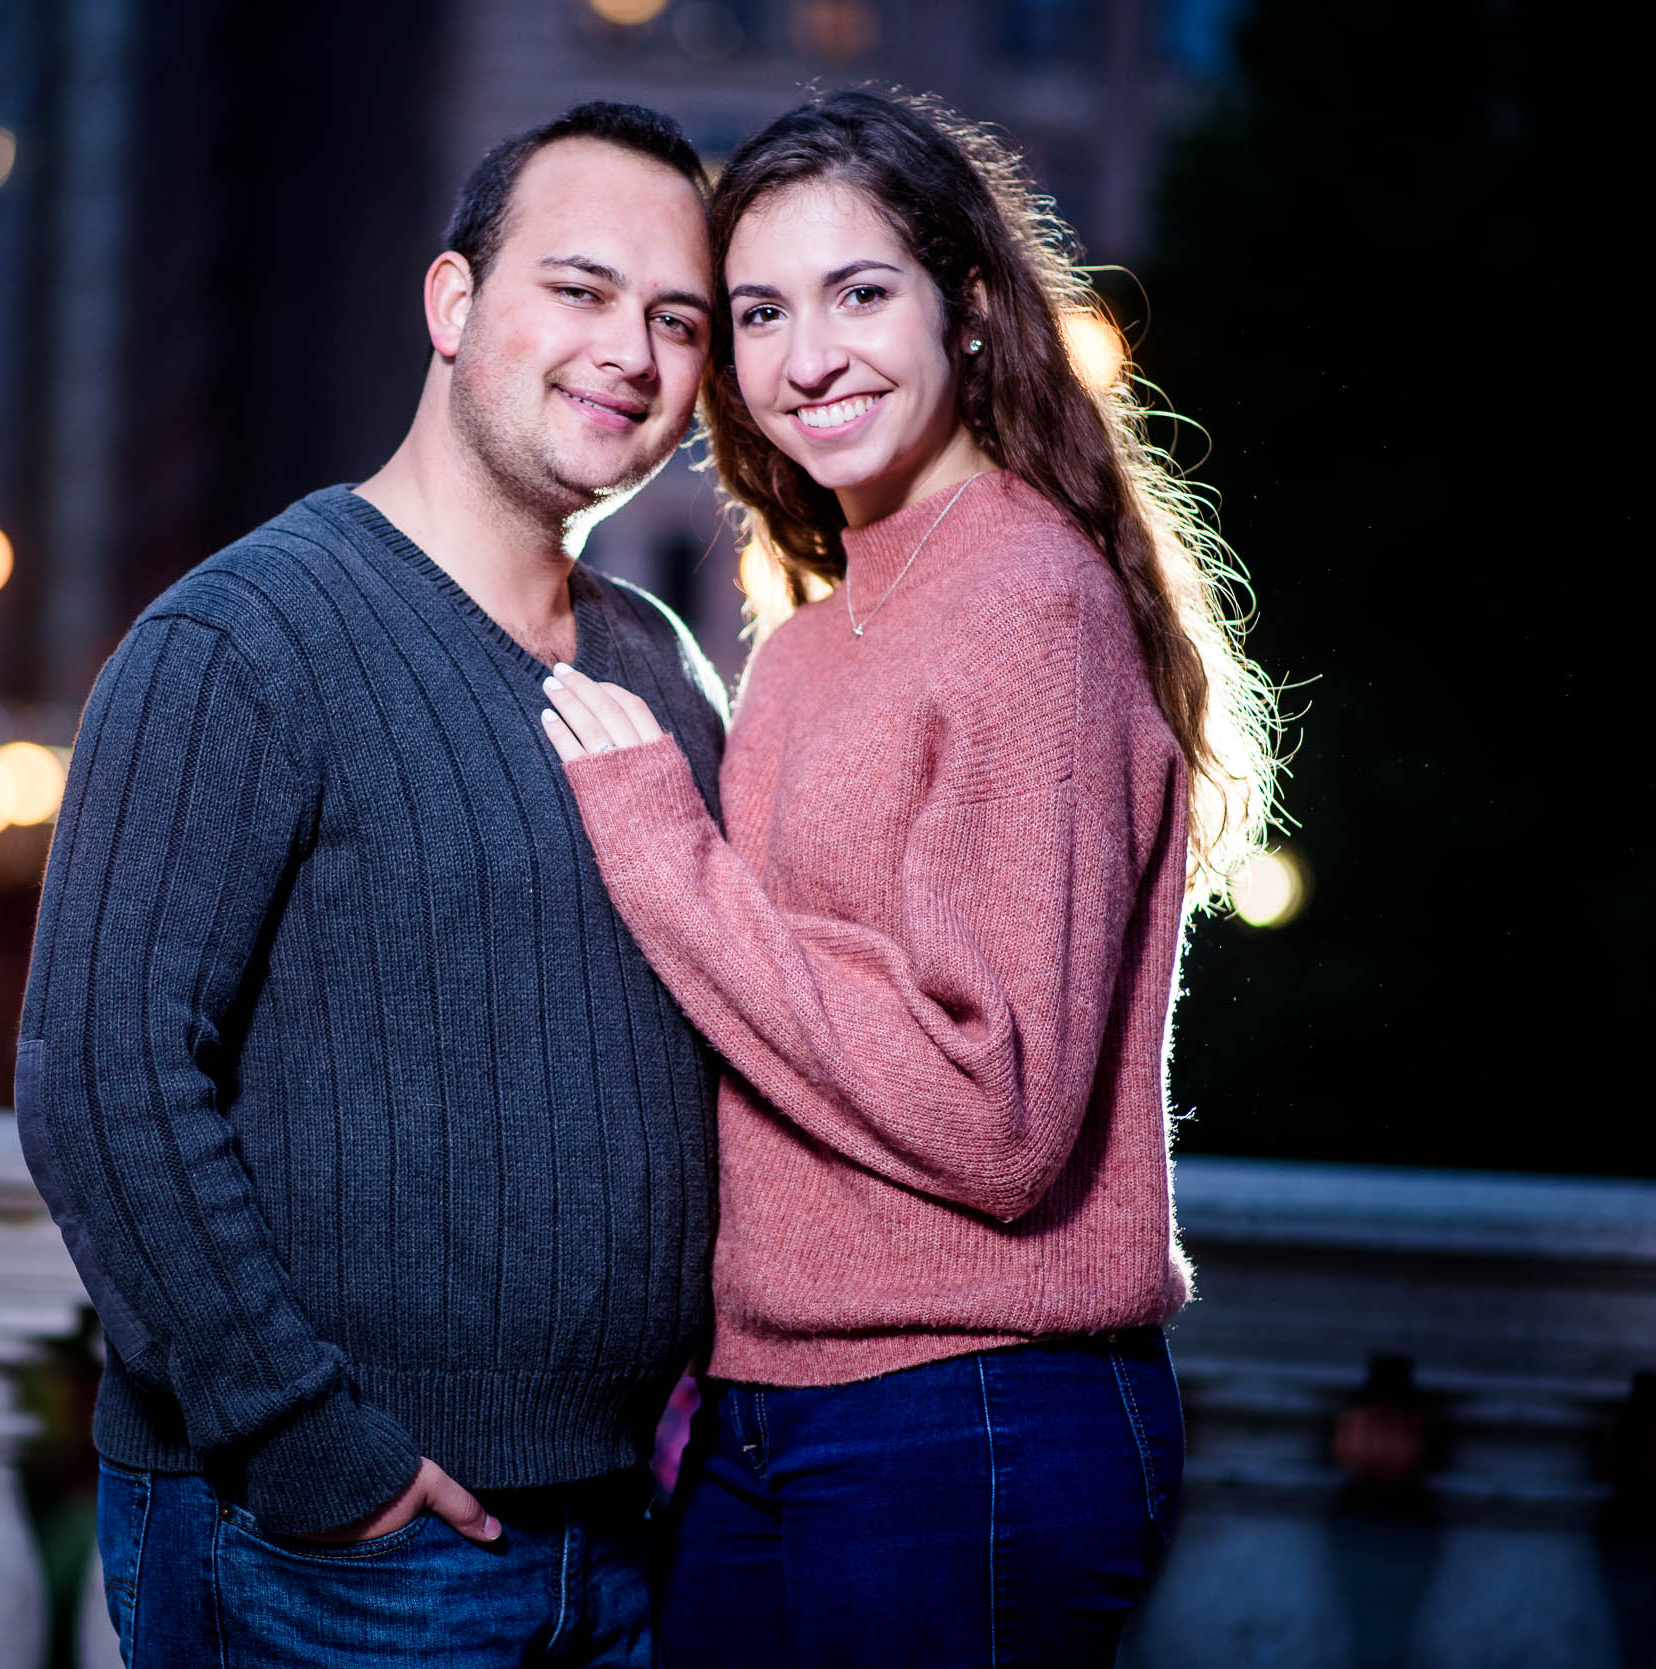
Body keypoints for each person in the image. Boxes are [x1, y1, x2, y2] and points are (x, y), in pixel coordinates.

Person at [540, 89, 1281, 1666]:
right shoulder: (811, 635)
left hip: (971, 1412)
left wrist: (659, 843)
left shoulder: (1026, 598)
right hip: (771, 1411)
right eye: (759, 312)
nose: (808, 358)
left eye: (860, 293)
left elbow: (995, 1113)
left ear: (973, 309)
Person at [17, 101, 727, 1667]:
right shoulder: (241, 642)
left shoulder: (664, 669)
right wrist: (313, 1450)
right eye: (583, 290)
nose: (633, 349)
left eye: (678, 320)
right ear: (455, 304)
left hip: (622, 1536)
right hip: (340, 1554)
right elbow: (102, 1078)